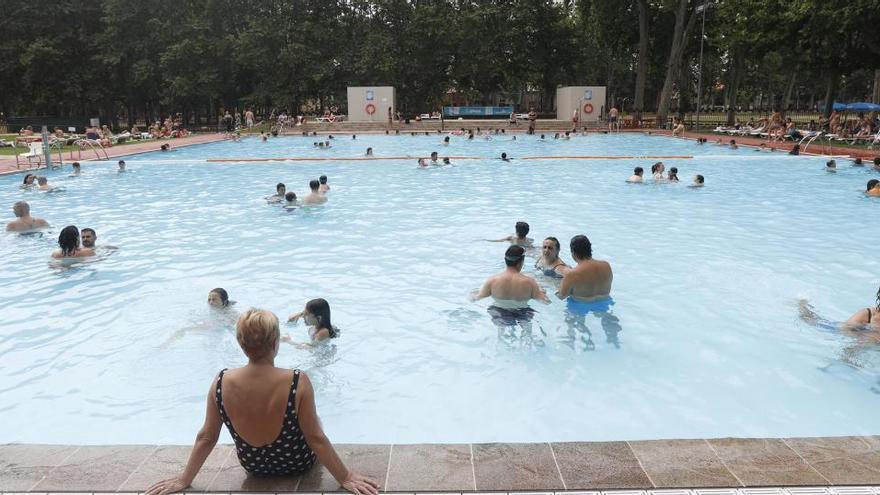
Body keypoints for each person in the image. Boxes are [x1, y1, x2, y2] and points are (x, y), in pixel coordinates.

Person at [146, 309, 379, 495]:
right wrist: (345, 477)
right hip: (297, 463)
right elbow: (315, 438)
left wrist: (184, 479)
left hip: (254, 466)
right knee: (315, 421)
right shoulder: (297, 380)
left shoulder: (221, 381)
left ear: (241, 343)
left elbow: (207, 437)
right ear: (276, 343)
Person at [470, 245, 550, 330]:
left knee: (501, 332)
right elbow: (545, 302)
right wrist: (542, 292)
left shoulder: (492, 280)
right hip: (523, 312)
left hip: (499, 311)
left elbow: (476, 298)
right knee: (527, 332)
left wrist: (473, 293)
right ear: (521, 262)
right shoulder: (530, 282)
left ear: (505, 260)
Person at [556, 235, 613, 311]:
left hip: (580, 305)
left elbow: (561, 296)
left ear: (573, 253)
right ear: (590, 249)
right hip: (605, 302)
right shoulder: (606, 266)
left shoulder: (572, 274)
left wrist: (555, 285)